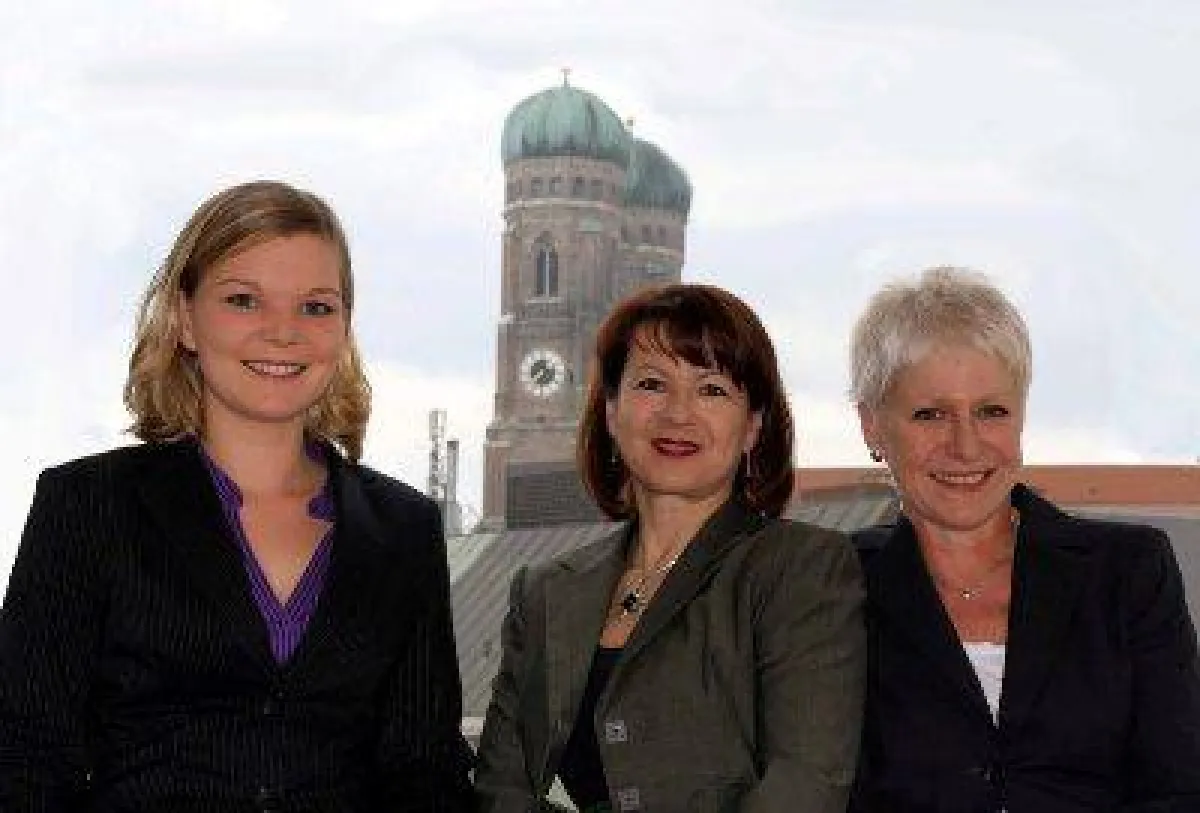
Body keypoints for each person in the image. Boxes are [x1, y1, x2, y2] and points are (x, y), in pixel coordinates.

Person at [0, 180, 474, 811]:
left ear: (344, 330)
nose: (284, 333)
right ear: (185, 320)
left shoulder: (405, 529)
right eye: (245, 300)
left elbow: (424, 771)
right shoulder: (88, 505)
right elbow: (26, 758)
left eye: (316, 307)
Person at [474, 282, 866, 813]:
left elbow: (805, 786)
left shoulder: (801, 570)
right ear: (612, 412)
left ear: (753, 428)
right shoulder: (547, 591)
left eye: (712, 390)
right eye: (652, 384)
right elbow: (502, 791)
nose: (677, 414)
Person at [848, 266, 1200, 811]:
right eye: (931, 414)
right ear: (873, 427)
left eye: (991, 412)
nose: (965, 446)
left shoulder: (1127, 571)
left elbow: (1178, 788)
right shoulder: (833, 585)